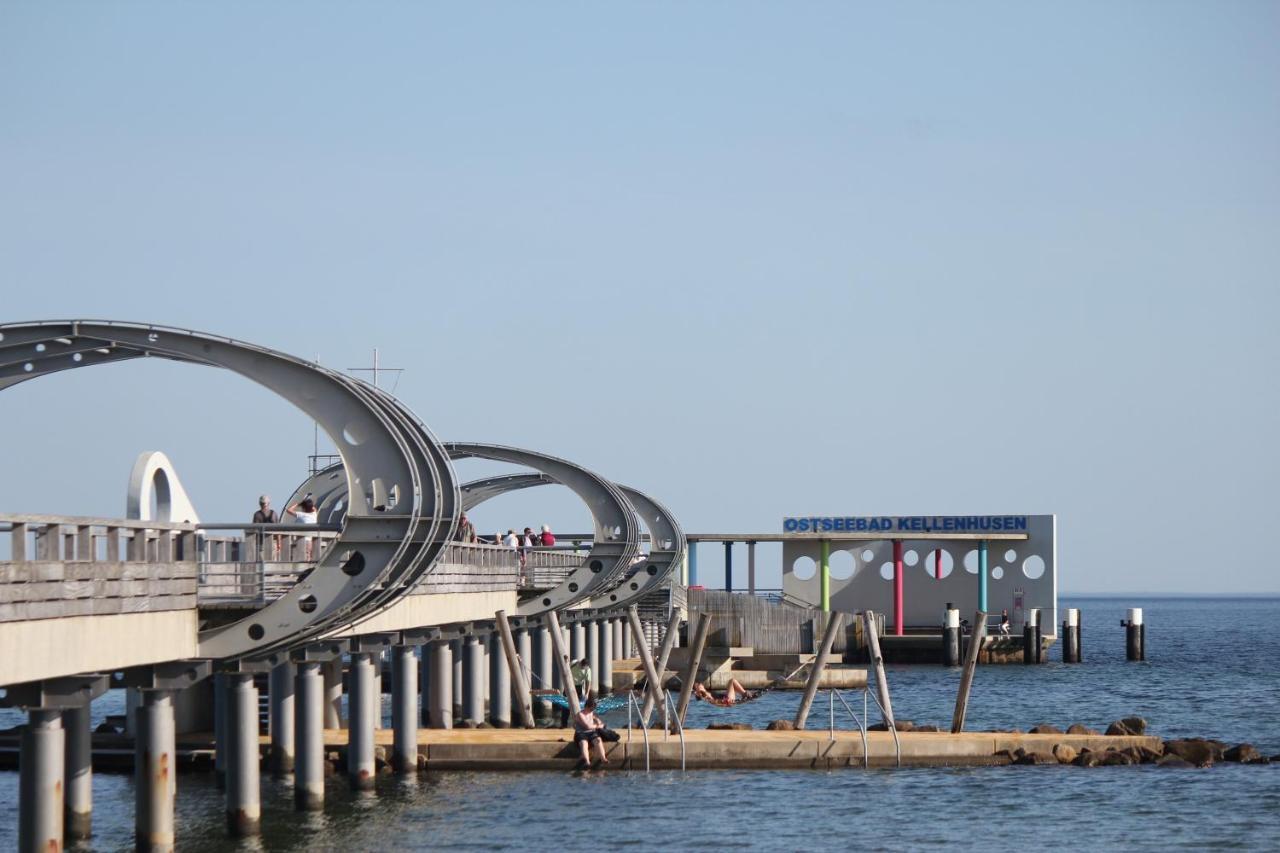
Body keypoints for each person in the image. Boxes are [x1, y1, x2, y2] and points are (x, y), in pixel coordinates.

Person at [573, 697, 609, 767]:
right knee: (584, 743)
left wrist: (597, 720)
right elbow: (587, 726)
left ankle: (603, 758)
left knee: (598, 740)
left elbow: (593, 717)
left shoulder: (591, 712)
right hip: (581, 733)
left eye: (592, 709)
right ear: (586, 707)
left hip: (591, 732)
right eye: (590, 709)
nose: (591, 711)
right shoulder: (580, 714)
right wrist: (598, 726)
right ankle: (587, 761)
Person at [560, 657, 594, 726]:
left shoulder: (588, 670)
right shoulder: (574, 663)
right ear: (581, 663)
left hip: (579, 687)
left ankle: (579, 724)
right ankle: (564, 724)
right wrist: (566, 661)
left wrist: (587, 693)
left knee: (580, 706)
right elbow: (566, 667)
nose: (583, 668)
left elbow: (588, 682)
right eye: (582, 666)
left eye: (585, 667)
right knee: (565, 706)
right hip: (568, 685)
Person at [286, 495, 319, 559]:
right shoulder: (314, 515)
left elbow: (288, 510)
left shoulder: (301, 515)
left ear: (304, 507)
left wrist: (299, 503)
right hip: (309, 540)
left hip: (299, 540)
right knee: (307, 557)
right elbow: (314, 508)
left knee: (298, 557)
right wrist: (306, 503)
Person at [252, 495, 281, 559]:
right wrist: (279, 544)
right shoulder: (274, 514)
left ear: (260, 504)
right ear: (269, 503)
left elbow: (254, 531)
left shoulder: (257, 515)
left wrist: (253, 544)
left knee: (261, 566)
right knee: (273, 564)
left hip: (261, 543)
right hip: (273, 543)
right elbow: (278, 530)